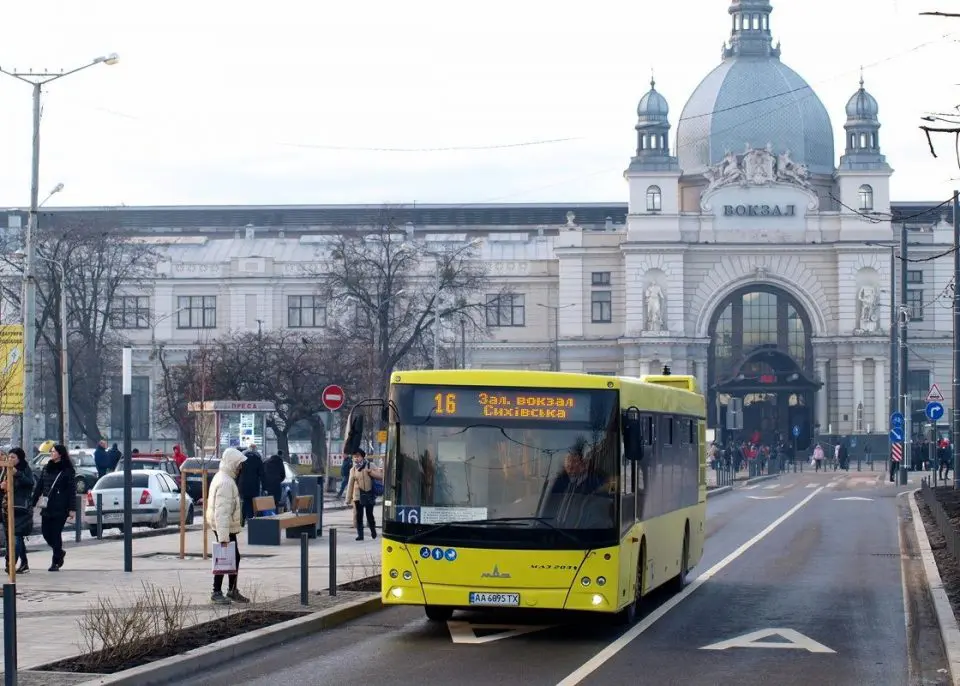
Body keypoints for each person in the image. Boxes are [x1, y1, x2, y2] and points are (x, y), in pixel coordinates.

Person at [206, 447, 250, 605]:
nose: (240, 468)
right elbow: (222, 512)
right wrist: (223, 537)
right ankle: (217, 591)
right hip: (223, 526)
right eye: (239, 464)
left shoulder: (223, 477)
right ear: (232, 463)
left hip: (224, 525)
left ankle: (231, 590)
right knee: (224, 556)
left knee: (233, 557)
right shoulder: (226, 482)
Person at [31, 444, 76, 571]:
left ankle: (55, 561)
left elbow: (71, 491)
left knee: (56, 534)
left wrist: (72, 509)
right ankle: (59, 552)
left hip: (61, 507)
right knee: (46, 533)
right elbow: (40, 486)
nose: (52, 453)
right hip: (47, 506)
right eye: (51, 451)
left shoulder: (67, 470)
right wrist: (33, 502)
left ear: (60, 454)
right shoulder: (47, 467)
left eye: (54, 451)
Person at [1, 448, 35, 573]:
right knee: (16, 537)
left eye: (13, 457)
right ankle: (24, 563)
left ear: (19, 458)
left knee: (16, 537)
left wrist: (17, 473)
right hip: (8, 508)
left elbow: (30, 483)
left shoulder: (24, 469)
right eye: (9, 457)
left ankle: (10, 564)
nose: (10, 459)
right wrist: (3, 486)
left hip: (21, 509)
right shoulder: (6, 470)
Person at [345, 450, 382, 541]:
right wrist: (348, 499)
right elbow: (350, 485)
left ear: (362, 457)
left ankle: (373, 530)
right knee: (359, 516)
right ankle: (360, 535)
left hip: (369, 494)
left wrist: (371, 472)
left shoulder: (370, 465)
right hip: (358, 496)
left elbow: (380, 476)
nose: (356, 458)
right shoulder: (353, 469)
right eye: (354, 457)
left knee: (370, 515)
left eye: (358, 456)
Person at [239, 443, 265, 525]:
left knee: (245, 502)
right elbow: (262, 473)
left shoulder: (242, 458)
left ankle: (242, 520)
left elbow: (238, 471)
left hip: (243, 484)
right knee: (252, 503)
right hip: (254, 485)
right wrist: (263, 486)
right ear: (255, 449)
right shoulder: (258, 458)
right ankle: (251, 520)